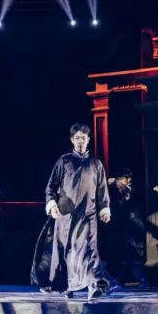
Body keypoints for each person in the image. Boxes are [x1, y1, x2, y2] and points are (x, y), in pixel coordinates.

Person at [31, 123, 111, 300]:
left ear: (88, 139)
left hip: (88, 215)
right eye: (77, 138)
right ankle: (66, 285)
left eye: (83, 137)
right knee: (67, 250)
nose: (80, 141)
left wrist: (105, 208)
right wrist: (52, 205)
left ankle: (95, 285)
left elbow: (102, 189)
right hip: (66, 215)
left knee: (90, 249)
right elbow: (51, 187)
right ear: (72, 140)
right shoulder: (64, 161)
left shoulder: (96, 163)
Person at [108, 167, 148, 288]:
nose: (120, 181)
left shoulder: (132, 188)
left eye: (122, 178)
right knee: (124, 253)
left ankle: (142, 279)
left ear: (128, 179)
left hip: (135, 224)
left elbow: (126, 190)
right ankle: (118, 280)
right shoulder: (119, 192)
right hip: (126, 224)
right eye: (119, 178)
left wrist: (115, 181)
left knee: (135, 253)